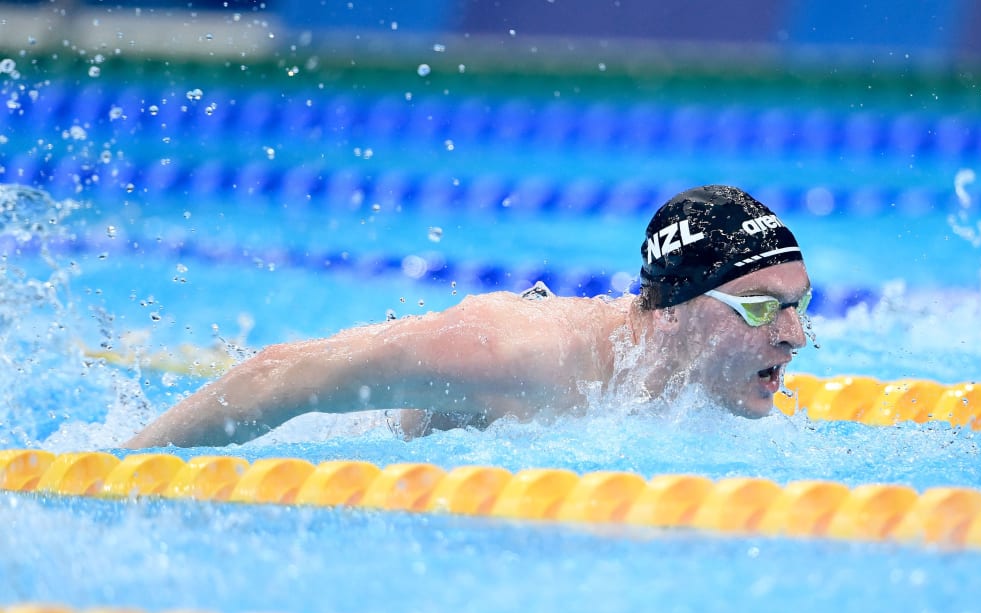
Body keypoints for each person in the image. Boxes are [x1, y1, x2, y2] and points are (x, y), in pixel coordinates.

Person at [124, 184, 811, 448]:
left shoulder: (721, 379)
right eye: (759, 307)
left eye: (798, 306)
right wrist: (119, 468)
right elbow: (286, 375)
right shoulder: (521, 357)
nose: (794, 336)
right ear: (670, 311)